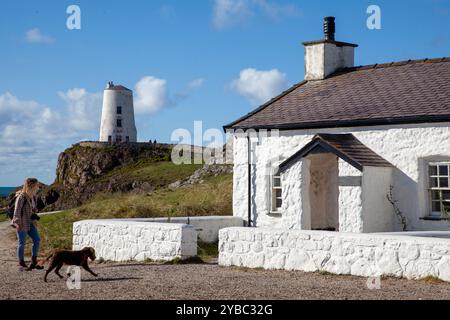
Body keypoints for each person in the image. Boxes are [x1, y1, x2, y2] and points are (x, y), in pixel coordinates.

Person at [11, 178, 44, 271]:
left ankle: (34, 260)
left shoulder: (33, 197)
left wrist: (35, 211)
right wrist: (17, 224)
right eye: (36, 185)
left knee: (37, 240)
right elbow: (16, 211)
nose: (38, 187)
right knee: (22, 243)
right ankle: (21, 262)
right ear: (31, 185)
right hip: (21, 223)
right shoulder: (21, 197)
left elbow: (32, 209)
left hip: (30, 222)